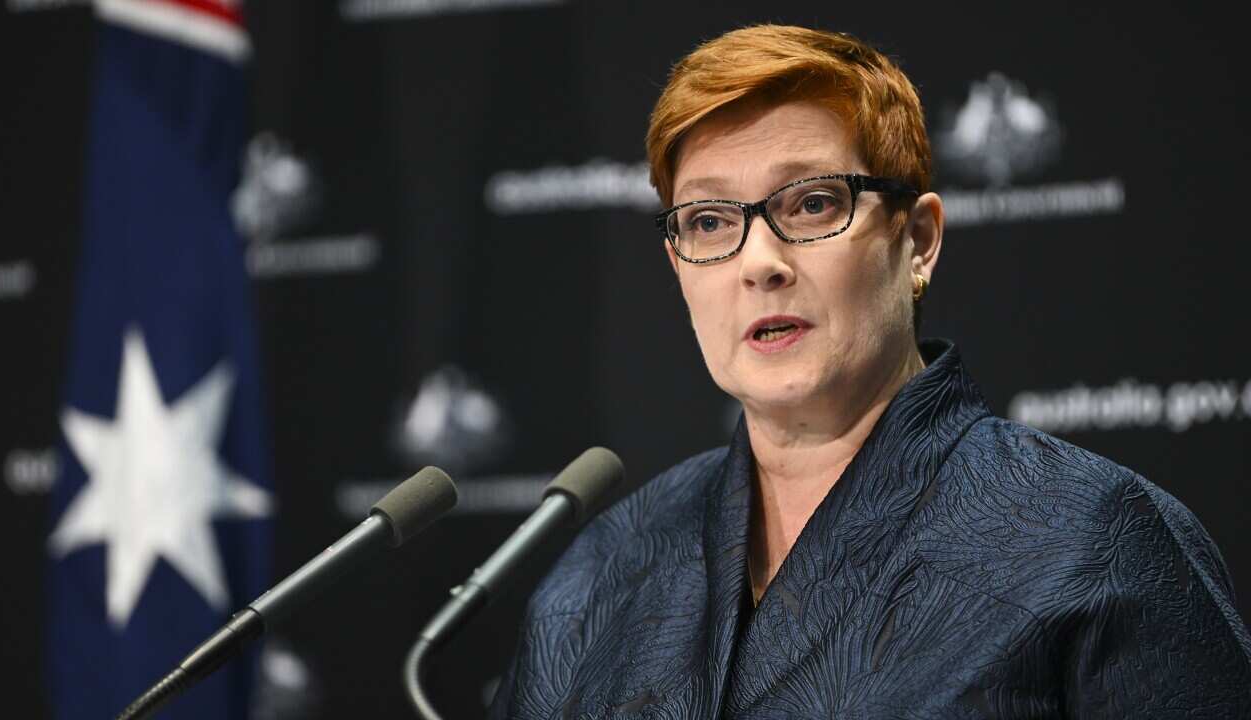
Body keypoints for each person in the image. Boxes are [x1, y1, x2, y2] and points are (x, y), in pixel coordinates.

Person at [488, 24, 1251, 718]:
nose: (760, 263)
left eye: (814, 204)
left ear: (917, 241)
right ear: (677, 263)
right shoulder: (601, 573)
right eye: (711, 221)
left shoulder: (1093, 538)